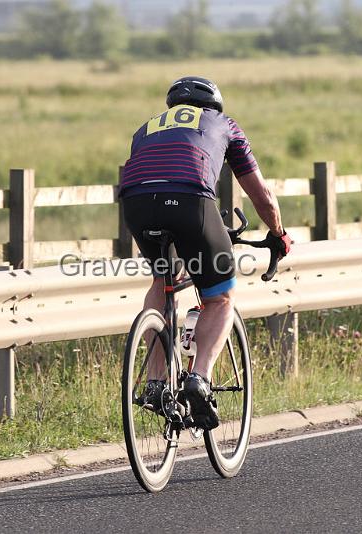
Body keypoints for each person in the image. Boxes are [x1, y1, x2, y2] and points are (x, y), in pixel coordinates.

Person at [119, 76, 291, 430]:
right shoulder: (225, 125)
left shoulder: (145, 128)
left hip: (135, 203)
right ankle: (199, 378)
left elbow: (154, 174)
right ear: (214, 105)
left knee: (163, 279)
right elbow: (261, 195)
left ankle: (154, 383)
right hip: (190, 202)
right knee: (221, 298)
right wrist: (278, 234)